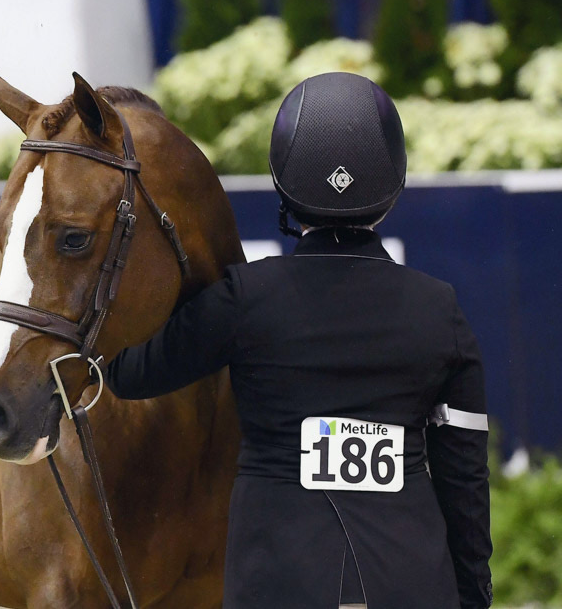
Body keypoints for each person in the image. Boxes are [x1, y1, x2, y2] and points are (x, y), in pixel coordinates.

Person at [106, 72, 493, 609]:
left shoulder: (242, 300)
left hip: (277, 583)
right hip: (410, 583)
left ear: (283, 180)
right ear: (392, 184)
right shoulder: (440, 311)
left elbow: (126, 373)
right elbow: (464, 478)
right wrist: (473, 594)